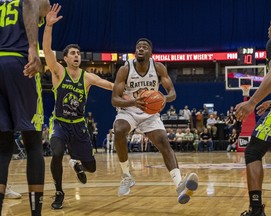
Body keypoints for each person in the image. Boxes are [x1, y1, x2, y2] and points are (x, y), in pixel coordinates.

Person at [42, 4, 114, 210]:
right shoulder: (58, 72)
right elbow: (46, 50)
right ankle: (59, 192)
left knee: (91, 168)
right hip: (60, 124)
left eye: (78, 53)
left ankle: (77, 163)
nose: (76, 56)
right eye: (72, 53)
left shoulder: (87, 77)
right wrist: (48, 26)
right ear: (65, 58)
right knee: (55, 154)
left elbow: (109, 85)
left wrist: (129, 93)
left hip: (79, 127)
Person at [111, 38, 198, 204]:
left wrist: (165, 98)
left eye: (144, 47)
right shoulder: (125, 69)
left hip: (149, 113)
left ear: (151, 52)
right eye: (138, 47)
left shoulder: (158, 68)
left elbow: (172, 92)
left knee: (163, 141)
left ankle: (179, 184)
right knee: (119, 129)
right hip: (129, 109)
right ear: (135, 51)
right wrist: (133, 102)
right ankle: (127, 176)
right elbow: (114, 100)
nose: (141, 49)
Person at [235, 11, 271, 216]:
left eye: (270, 23)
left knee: (253, 152)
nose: (268, 28)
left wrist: (252, 103)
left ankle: (256, 210)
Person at [0, 0, 50, 215]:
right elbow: (32, 3)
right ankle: (35, 213)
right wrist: (32, 46)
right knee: (33, 143)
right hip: (20, 64)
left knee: (2, 147)